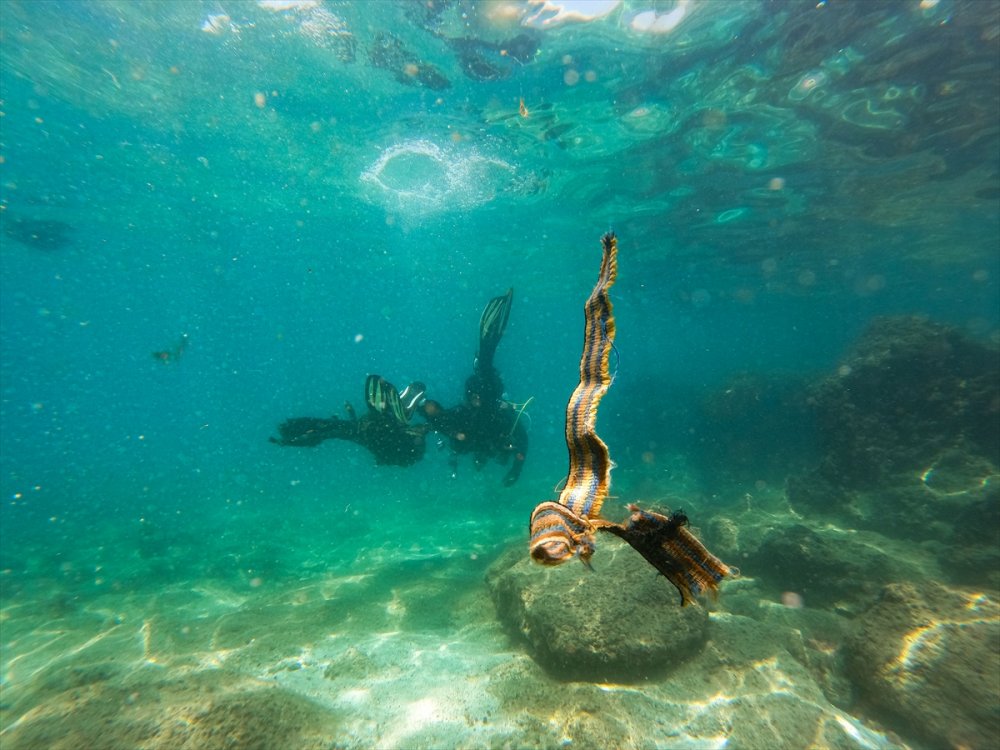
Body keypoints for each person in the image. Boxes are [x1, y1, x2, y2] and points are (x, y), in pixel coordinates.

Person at [421, 288, 529, 486]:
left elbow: (443, 419)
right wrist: (516, 468)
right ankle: (485, 353)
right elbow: (522, 440)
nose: (479, 462)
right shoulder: (497, 428)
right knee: (486, 371)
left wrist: (429, 414)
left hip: (482, 394)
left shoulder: (469, 428)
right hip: (488, 393)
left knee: (484, 370)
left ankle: (484, 354)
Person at [270, 375, 428, 467]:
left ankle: (293, 433)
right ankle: (293, 432)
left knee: (330, 429)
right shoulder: (401, 442)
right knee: (330, 428)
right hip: (374, 435)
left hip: (373, 435)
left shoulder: (403, 444)